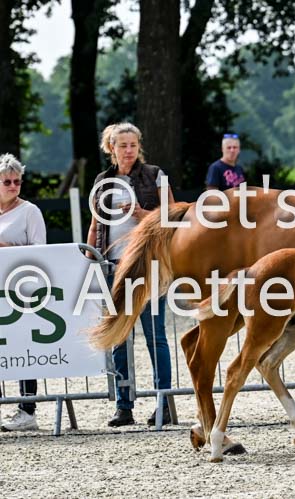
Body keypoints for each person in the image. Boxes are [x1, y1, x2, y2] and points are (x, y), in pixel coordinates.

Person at [86, 122, 175, 427]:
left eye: (133, 145)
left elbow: (173, 216)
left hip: (149, 264)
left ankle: (164, 402)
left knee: (155, 335)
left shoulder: (155, 174)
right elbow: (96, 225)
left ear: (139, 147)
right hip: (113, 266)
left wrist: (141, 214)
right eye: (122, 145)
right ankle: (124, 405)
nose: (128, 151)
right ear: (111, 148)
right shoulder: (102, 181)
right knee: (119, 336)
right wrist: (90, 259)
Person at [0, 153, 46, 431]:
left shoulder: (30, 211)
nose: (13, 186)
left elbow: (41, 250)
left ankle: (27, 409)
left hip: (20, 288)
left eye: (17, 181)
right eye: (7, 181)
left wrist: (7, 249)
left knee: (23, 344)